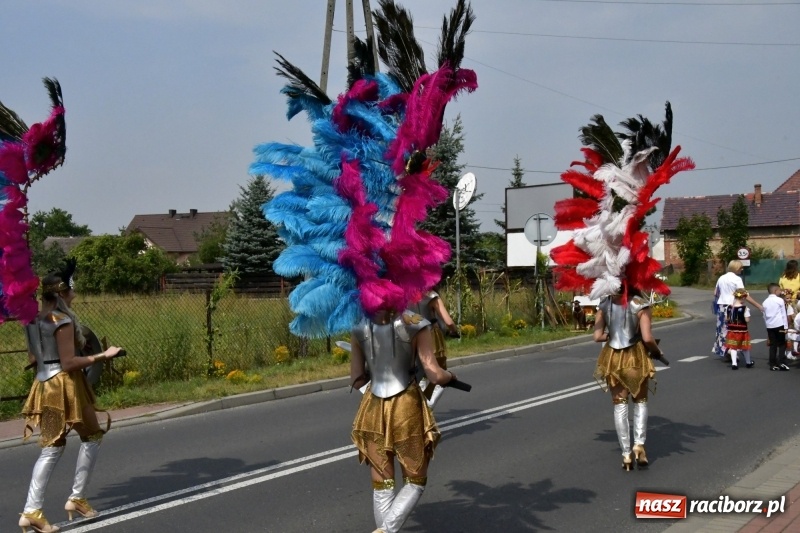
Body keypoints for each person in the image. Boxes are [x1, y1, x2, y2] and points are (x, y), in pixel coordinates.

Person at [19, 267, 123, 533]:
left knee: (92, 435)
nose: (75, 293)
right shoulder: (61, 321)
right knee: (52, 448)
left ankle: (77, 499)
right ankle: (32, 511)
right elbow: (68, 363)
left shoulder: (31, 321)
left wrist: (45, 356)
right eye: (71, 289)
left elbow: (33, 359)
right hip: (62, 387)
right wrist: (104, 356)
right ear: (62, 294)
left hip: (47, 383)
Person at [350, 309, 455, 533]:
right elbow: (434, 374)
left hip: (372, 407)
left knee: (383, 485)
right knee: (415, 480)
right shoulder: (417, 323)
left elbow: (357, 379)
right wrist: (449, 376)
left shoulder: (359, 324)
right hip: (406, 406)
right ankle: (385, 531)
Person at [593, 291, 663, 471]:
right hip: (635, 357)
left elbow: (597, 336)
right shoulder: (640, 304)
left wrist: (612, 336)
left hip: (612, 358)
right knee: (640, 401)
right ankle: (639, 445)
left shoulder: (604, 304)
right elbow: (647, 338)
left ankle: (625, 455)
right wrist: (657, 351)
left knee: (620, 404)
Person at [412, 290, 458, 403]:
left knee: (418, 375)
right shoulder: (431, 295)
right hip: (430, 335)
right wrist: (454, 331)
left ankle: (419, 406)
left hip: (411, 337)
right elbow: (448, 321)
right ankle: (427, 408)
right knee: (439, 374)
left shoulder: (406, 293)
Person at [713, 260, 763, 358]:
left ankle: (725, 348)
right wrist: (758, 306)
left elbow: (715, 293)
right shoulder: (737, 279)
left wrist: (724, 295)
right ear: (736, 268)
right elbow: (744, 294)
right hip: (733, 306)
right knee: (735, 328)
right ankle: (732, 349)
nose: (742, 269)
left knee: (723, 328)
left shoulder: (721, 277)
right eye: (740, 267)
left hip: (722, 306)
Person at [762, 283, 791, 372]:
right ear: (775, 291)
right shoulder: (779, 300)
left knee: (773, 345)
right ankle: (781, 361)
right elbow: (783, 314)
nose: (780, 292)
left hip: (770, 326)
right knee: (782, 344)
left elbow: (764, 316)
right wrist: (786, 327)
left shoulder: (765, 302)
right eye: (779, 290)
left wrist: (767, 325)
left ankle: (772, 364)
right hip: (779, 325)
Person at [725, 288, 753, 369]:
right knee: (745, 346)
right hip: (742, 330)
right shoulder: (745, 308)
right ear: (743, 297)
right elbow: (747, 319)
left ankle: (734, 364)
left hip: (732, 330)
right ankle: (748, 362)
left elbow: (726, 319)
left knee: (733, 347)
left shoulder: (729, 308)